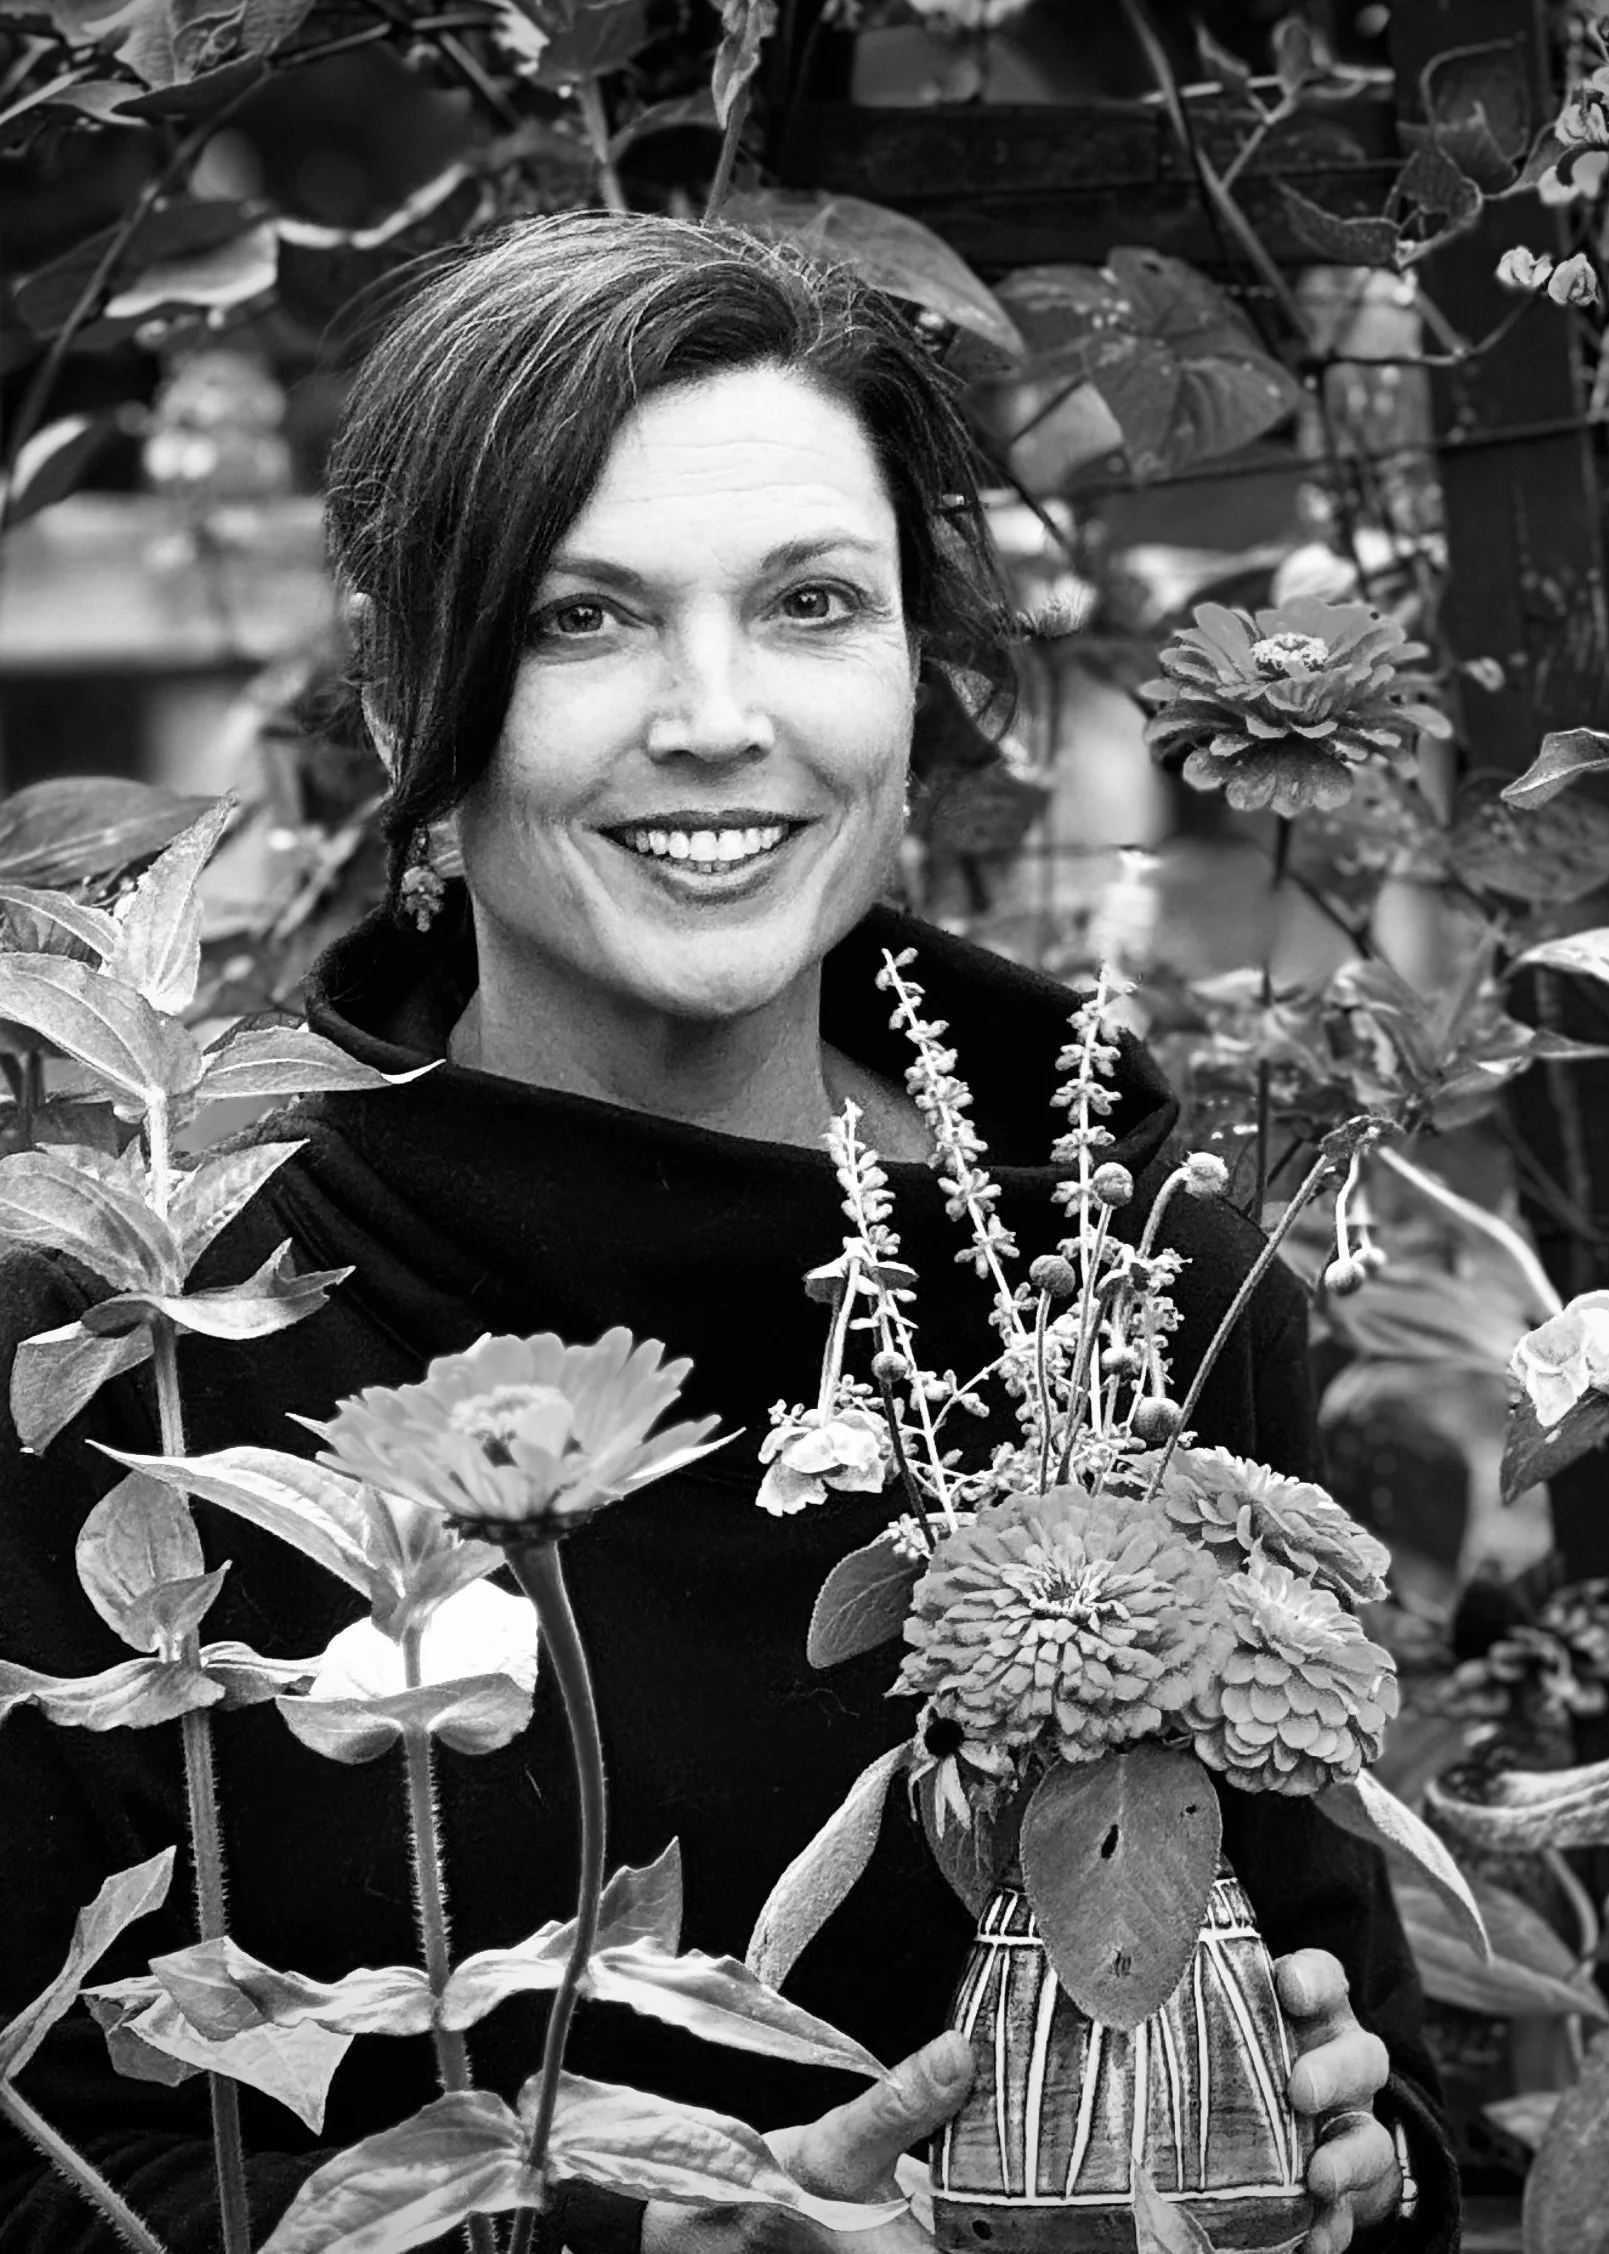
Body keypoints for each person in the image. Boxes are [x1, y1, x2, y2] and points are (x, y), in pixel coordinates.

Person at [0, 212, 1455, 2254]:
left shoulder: (1136, 1304)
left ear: (912, 663)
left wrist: (1342, 2171)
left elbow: (1356, 2079)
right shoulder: (142, 1339)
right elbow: (33, 2171)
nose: (712, 713)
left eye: (809, 603)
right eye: (581, 616)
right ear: (401, 682)